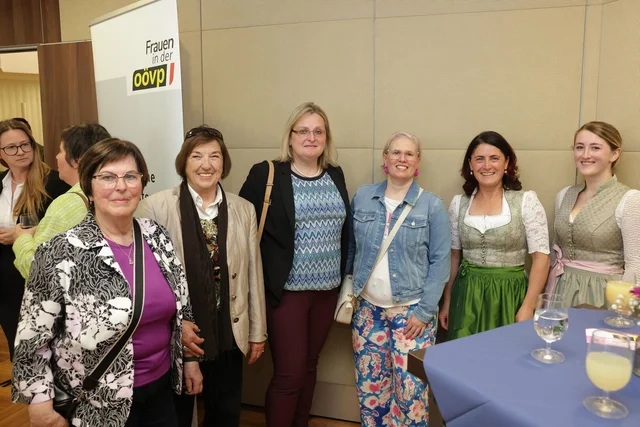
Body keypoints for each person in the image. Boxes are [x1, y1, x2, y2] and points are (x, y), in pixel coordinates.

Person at [11, 138, 202, 427]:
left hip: (161, 390)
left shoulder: (156, 236)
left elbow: (182, 304)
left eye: (130, 176)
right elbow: (32, 337)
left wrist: (189, 360)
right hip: (96, 401)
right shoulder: (60, 251)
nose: (121, 186)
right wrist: (39, 405)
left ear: (141, 183)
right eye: (107, 177)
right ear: (88, 188)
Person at [138, 126, 267, 427]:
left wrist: (257, 331)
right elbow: (149, 279)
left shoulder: (243, 209)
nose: (206, 165)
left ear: (224, 162)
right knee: (178, 415)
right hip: (177, 334)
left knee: (225, 413)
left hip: (228, 330)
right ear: (184, 162)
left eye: (214, 156)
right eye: (196, 156)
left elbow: (253, 274)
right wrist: (176, 323)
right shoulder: (155, 207)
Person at [239, 102, 350, 427]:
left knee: (310, 366)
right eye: (303, 130)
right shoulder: (267, 174)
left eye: (318, 131)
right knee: (289, 373)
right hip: (285, 293)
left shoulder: (335, 174)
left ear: (326, 138)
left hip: (326, 292)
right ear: (290, 137)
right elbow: (241, 228)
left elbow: (344, 230)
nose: (310, 137)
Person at [347, 131, 450, 426]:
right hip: (367, 312)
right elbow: (352, 249)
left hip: (413, 314)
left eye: (409, 153)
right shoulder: (363, 197)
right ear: (385, 158)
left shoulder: (432, 205)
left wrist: (425, 311)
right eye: (395, 152)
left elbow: (440, 262)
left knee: (411, 394)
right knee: (371, 392)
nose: (401, 158)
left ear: (417, 161)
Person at [439, 131, 550, 340]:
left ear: (506, 163)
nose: (487, 166)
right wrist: (447, 301)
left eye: (494, 158)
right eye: (479, 159)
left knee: (506, 353)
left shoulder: (526, 201)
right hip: (467, 295)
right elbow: (453, 257)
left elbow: (541, 258)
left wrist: (528, 306)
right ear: (470, 164)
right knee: (465, 354)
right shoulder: (458, 203)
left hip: (509, 294)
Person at [547, 121, 640, 306]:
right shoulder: (564, 195)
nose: (585, 155)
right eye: (579, 147)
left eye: (595, 147)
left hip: (603, 295)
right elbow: (555, 253)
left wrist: (624, 309)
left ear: (614, 154)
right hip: (560, 289)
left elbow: (636, 264)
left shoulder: (630, 199)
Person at [0, 119, 69, 361]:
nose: (20, 151)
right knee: (19, 351)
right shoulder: (1, 183)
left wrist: (22, 236)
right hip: (6, 285)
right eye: (11, 147)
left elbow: (67, 230)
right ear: (1, 153)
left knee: (48, 352)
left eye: (25, 144)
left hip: (41, 280)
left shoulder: (56, 182)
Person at [13, 123, 111, 278]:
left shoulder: (66, 204)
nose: (57, 157)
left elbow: (36, 269)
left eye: (61, 151)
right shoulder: (110, 193)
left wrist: (22, 237)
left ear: (77, 160)